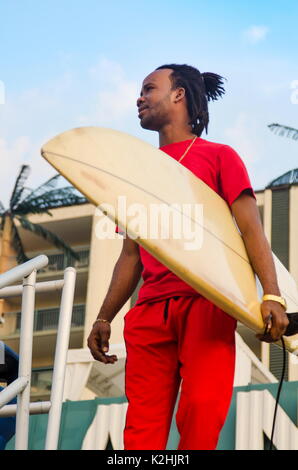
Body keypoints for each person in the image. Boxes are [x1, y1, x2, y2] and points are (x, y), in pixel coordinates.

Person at [87, 64, 289, 450]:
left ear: (178, 95)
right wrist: (103, 316)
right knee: (140, 432)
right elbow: (130, 255)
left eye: (149, 88)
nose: (139, 98)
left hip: (206, 300)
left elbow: (251, 231)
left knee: (201, 415)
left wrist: (273, 294)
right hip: (149, 314)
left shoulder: (219, 157)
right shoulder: (137, 174)